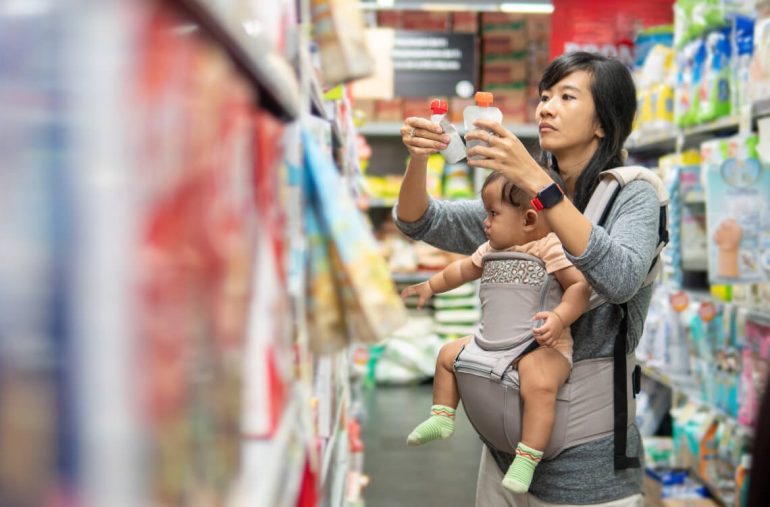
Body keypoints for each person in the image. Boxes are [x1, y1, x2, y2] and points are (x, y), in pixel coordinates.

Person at [394, 51, 657, 506]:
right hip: (502, 453)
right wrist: (418, 161)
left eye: (566, 96)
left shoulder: (634, 194)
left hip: (588, 467)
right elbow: (422, 222)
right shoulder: (519, 196)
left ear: (603, 122)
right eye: (545, 95)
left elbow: (620, 279)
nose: (546, 107)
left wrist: (540, 183)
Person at [401, 168, 591, 494]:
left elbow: (578, 287)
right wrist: (431, 286)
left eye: (493, 213)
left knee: (540, 381)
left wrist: (559, 318)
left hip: (541, 345)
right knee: (448, 354)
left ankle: (527, 456)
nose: (484, 222)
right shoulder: (491, 248)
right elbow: (462, 270)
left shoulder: (549, 247)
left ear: (529, 220)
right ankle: (443, 416)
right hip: (491, 343)